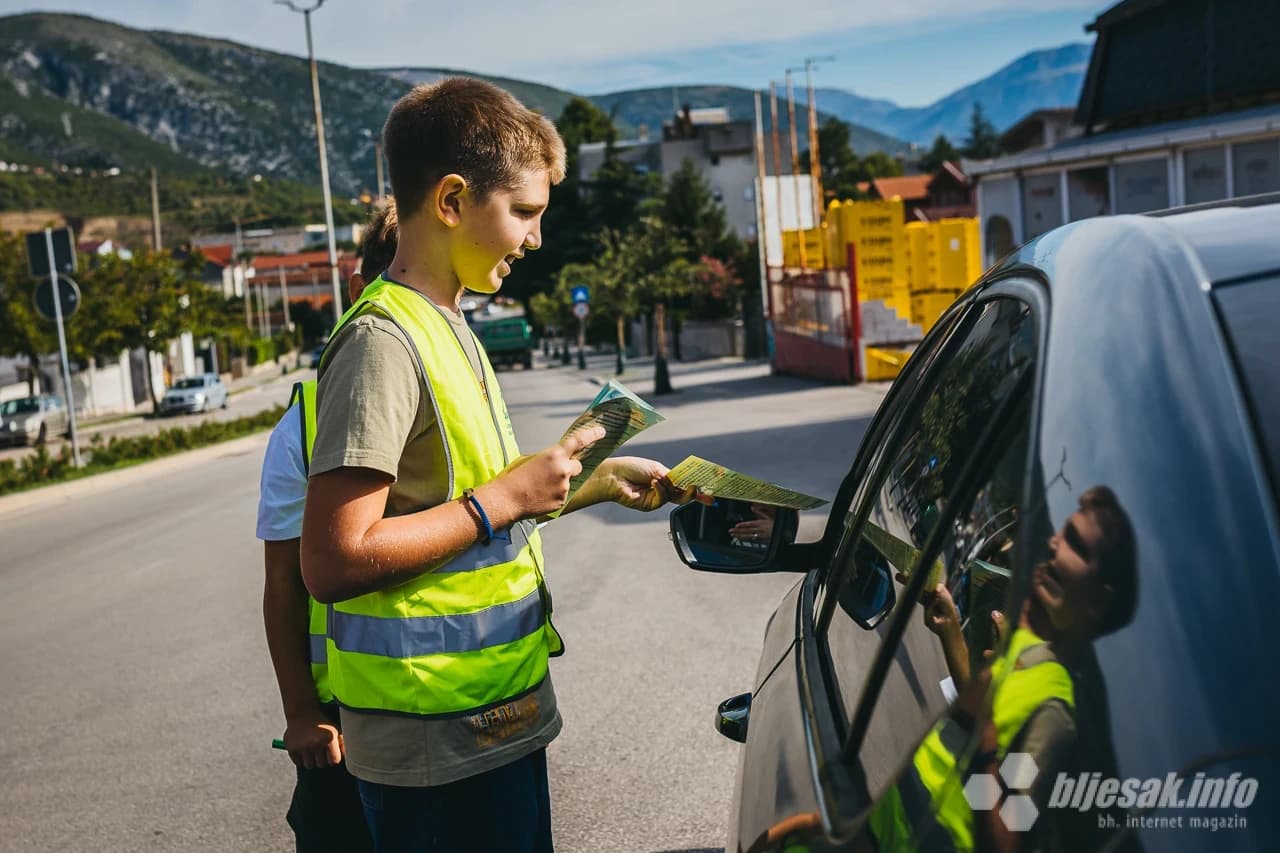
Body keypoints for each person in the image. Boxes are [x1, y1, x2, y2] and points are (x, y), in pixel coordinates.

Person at [299, 78, 690, 853]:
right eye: (524, 211)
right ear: (452, 200)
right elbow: (333, 558)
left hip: (490, 719)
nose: (535, 238)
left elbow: (478, 506)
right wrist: (499, 500)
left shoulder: (452, 324)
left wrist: (594, 483)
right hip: (431, 741)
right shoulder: (382, 342)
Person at [866, 485, 1137, 853]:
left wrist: (987, 742)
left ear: (1097, 602)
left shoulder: (1055, 709)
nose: (1054, 543)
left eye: (1074, 543)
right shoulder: (1024, 648)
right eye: (1060, 534)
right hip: (884, 824)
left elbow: (1007, 833)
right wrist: (950, 629)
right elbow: (975, 716)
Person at [257, 201, 399, 853]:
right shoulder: (305, 423)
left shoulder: (459, 392)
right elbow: (283, 582)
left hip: (453, 704)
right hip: (344, 723)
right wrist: (300, 714)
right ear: (357, 286)